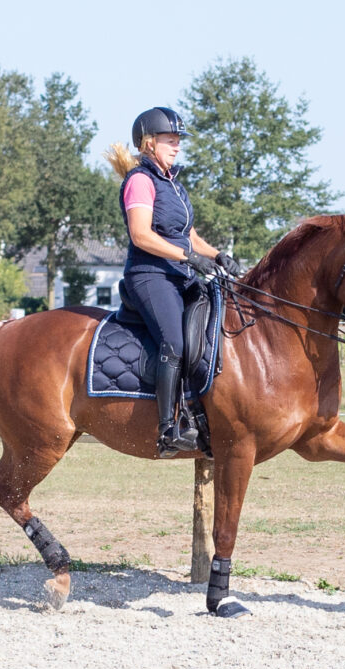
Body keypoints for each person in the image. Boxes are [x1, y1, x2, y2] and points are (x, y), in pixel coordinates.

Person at [105, 106, 243, 457]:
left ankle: (201, 414)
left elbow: (188, 235)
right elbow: (140, 235)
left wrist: (215, 255)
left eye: (178, 140)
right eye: (171, 139)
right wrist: (188, 258)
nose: (177, 145)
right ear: (149, 143)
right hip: (149, 276)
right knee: (176, 343)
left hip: (179, 274)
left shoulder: (173, 184)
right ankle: (167, 428)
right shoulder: (140, 180)